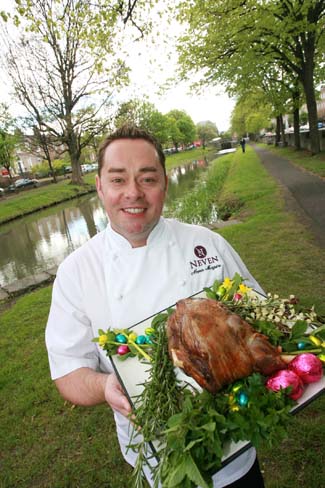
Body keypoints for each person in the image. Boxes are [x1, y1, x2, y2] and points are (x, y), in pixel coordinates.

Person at [45, 125, 265, 488]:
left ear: (165, 182)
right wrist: (105, 387)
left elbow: (257, 314)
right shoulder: (76, 272)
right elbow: (68, 370)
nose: (133, 193)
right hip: (157, 458)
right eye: (118, 179)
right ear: (99, 186)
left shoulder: (207, 244)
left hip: (236, 443)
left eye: (148, 178)